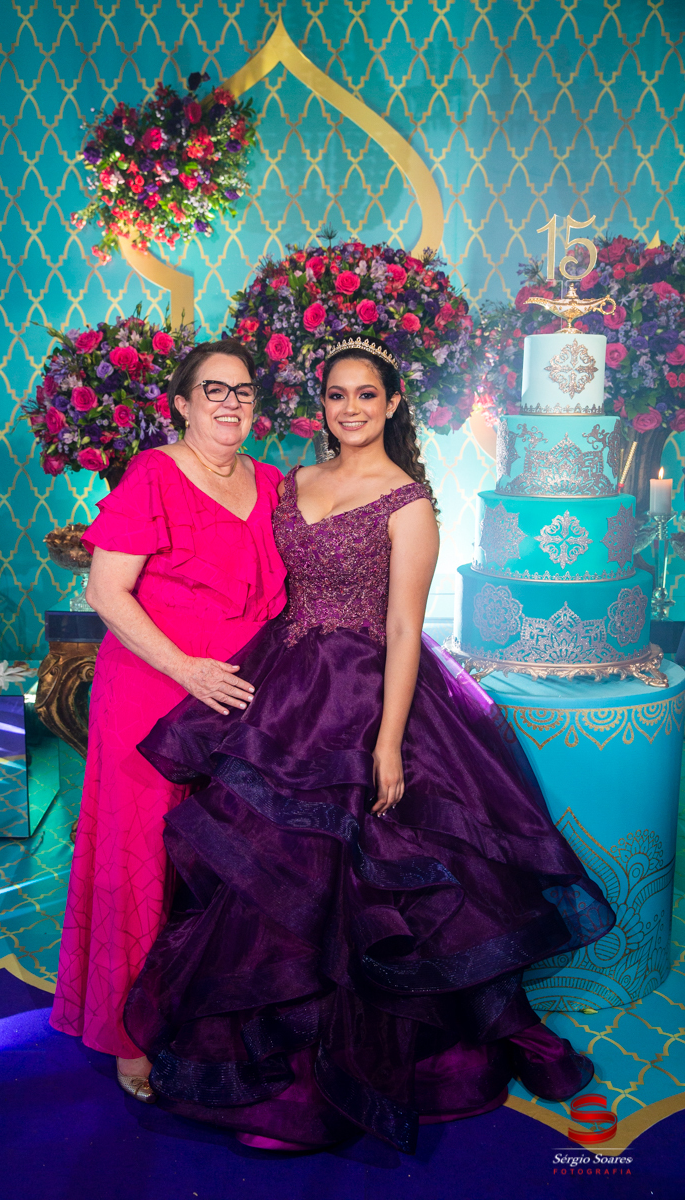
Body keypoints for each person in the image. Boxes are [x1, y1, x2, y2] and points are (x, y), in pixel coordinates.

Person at [124, 337, 615, 1152]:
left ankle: (354, 1069)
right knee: (277, 876)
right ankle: (280, 1053)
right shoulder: (293, 481)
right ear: (322, 406)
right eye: (336, 395)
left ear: (392, 405)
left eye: (365, 395)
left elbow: (403, 629)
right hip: (287, 687)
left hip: (369, 698)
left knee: (371, 880)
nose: (349, 408)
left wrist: (388, 745)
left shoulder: (408, 500)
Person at [50, 339, 287, 1102]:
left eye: (243, 391)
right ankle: (133, 1034)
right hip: (153, 695)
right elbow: (105, 593)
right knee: (146, 861)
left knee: (227, 865)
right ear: (181, 404)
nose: (230, 403)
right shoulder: (152, 474)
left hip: (243, 702)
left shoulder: (273, 483)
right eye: (213, 389)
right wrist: (187, 669)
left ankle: (213, 1021)